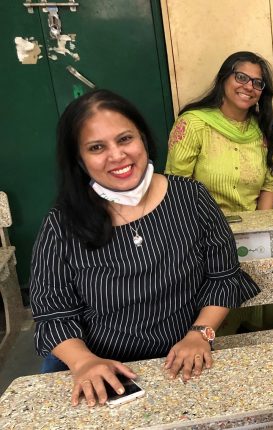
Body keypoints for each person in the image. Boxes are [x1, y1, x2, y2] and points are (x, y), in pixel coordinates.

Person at [30, 89, 259, 407]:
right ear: (79, 159)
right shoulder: (62, 224)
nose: (117, 156)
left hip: (181, 359)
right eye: (97, 147)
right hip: (99, 367)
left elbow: (224, 278)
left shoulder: (191, 198)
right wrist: (83, 361)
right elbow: (53, 314)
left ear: (143, 139)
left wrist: (200, 334)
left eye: (125, 139)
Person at [165, 51, 273, 332]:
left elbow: (270, 183)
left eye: (257, 83)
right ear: (224, 78)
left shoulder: (261, 129)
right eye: (241, 77)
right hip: (203, 235)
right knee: (217, 323)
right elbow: (176, 188)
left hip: (252, 232)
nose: (248, 87)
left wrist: (260, 227)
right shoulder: (194, 124)